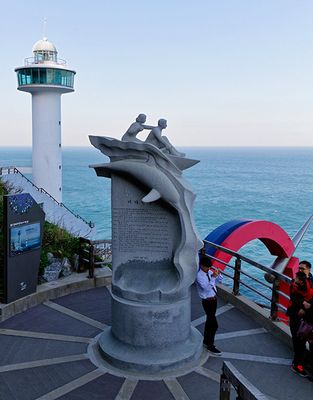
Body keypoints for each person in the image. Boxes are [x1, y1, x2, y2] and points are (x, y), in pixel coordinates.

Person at [287, 271, 313, 377]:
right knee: (298, 340)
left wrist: (305, 305)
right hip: (298, 317)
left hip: (307, 319)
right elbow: (293, 297)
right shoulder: (294, 285)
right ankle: (297, 364)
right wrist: (303, 304)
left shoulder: (310, 285)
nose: (295, 280)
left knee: (303, 341)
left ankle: (301, 364)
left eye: (302, 268)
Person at [196, 255, 223, 355]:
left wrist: (218, 275)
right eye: (207, 267)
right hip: (207, 301)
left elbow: (219, 281)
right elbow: (206, 288)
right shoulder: (199, 276)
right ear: (202, 266)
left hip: (214, 300)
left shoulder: (209, 272)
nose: (208, 269)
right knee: (214, 324)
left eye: (209, 267)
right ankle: (210, 345)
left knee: (209, 321)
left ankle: (206, 341)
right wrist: (213, 278)